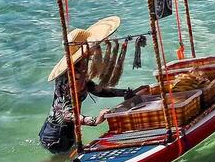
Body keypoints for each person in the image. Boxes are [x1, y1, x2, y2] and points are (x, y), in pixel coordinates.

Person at [39, 16, 144, 154]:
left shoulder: (78, 69)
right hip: (57, 135)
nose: (95, 48)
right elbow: (66, 113)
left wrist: (124, 93)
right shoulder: (72, 76)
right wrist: (95, 120)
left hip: (61, 132)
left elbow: (96, 90)